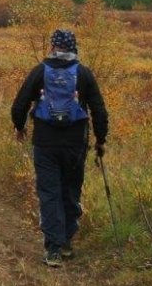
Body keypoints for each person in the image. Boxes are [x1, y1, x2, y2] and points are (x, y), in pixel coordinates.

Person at [11, 29, 108, 268]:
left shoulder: (40, 71)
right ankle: (65, 242)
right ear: (74, 47)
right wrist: (100, 139)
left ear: (53, 46)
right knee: (70, 190)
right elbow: (99, 109)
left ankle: (53, 249)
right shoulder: (84, 73)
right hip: (75, 144)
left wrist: (20, 127)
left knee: (49, 192)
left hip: (45, 142)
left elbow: (19, 104)